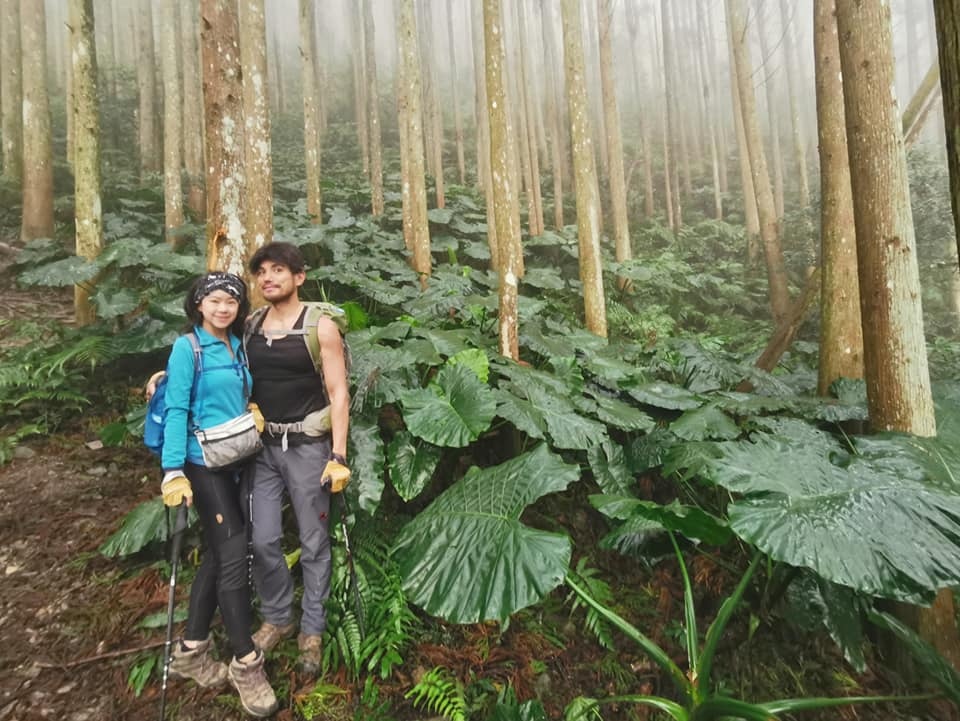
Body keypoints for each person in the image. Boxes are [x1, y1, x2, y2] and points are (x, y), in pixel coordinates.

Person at [159, 272, 278, 717]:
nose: (223, 308)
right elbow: (176, 408)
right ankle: (246, 662)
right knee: (233, 557)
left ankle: (190, 650)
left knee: (216, 553)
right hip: (200, 463)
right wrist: (172, 470)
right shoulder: (186, 348)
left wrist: (249, 408)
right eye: (213, 300)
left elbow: (231, 394)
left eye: (230, 300)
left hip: (234, 458)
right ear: (198, 305)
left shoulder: (236, 345)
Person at [244, 242, 351, 676]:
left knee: (313, 542)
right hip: (262, 448)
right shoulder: (251, 324)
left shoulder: (320, 327)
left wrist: (338, 455)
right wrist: (165, 376)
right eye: (262, 272)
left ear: (299, 277)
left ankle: (312, 629)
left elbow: (338, 392)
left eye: (279, 270)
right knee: (263, 538)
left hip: (308, 448)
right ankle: (277, 617)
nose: (268, 278)